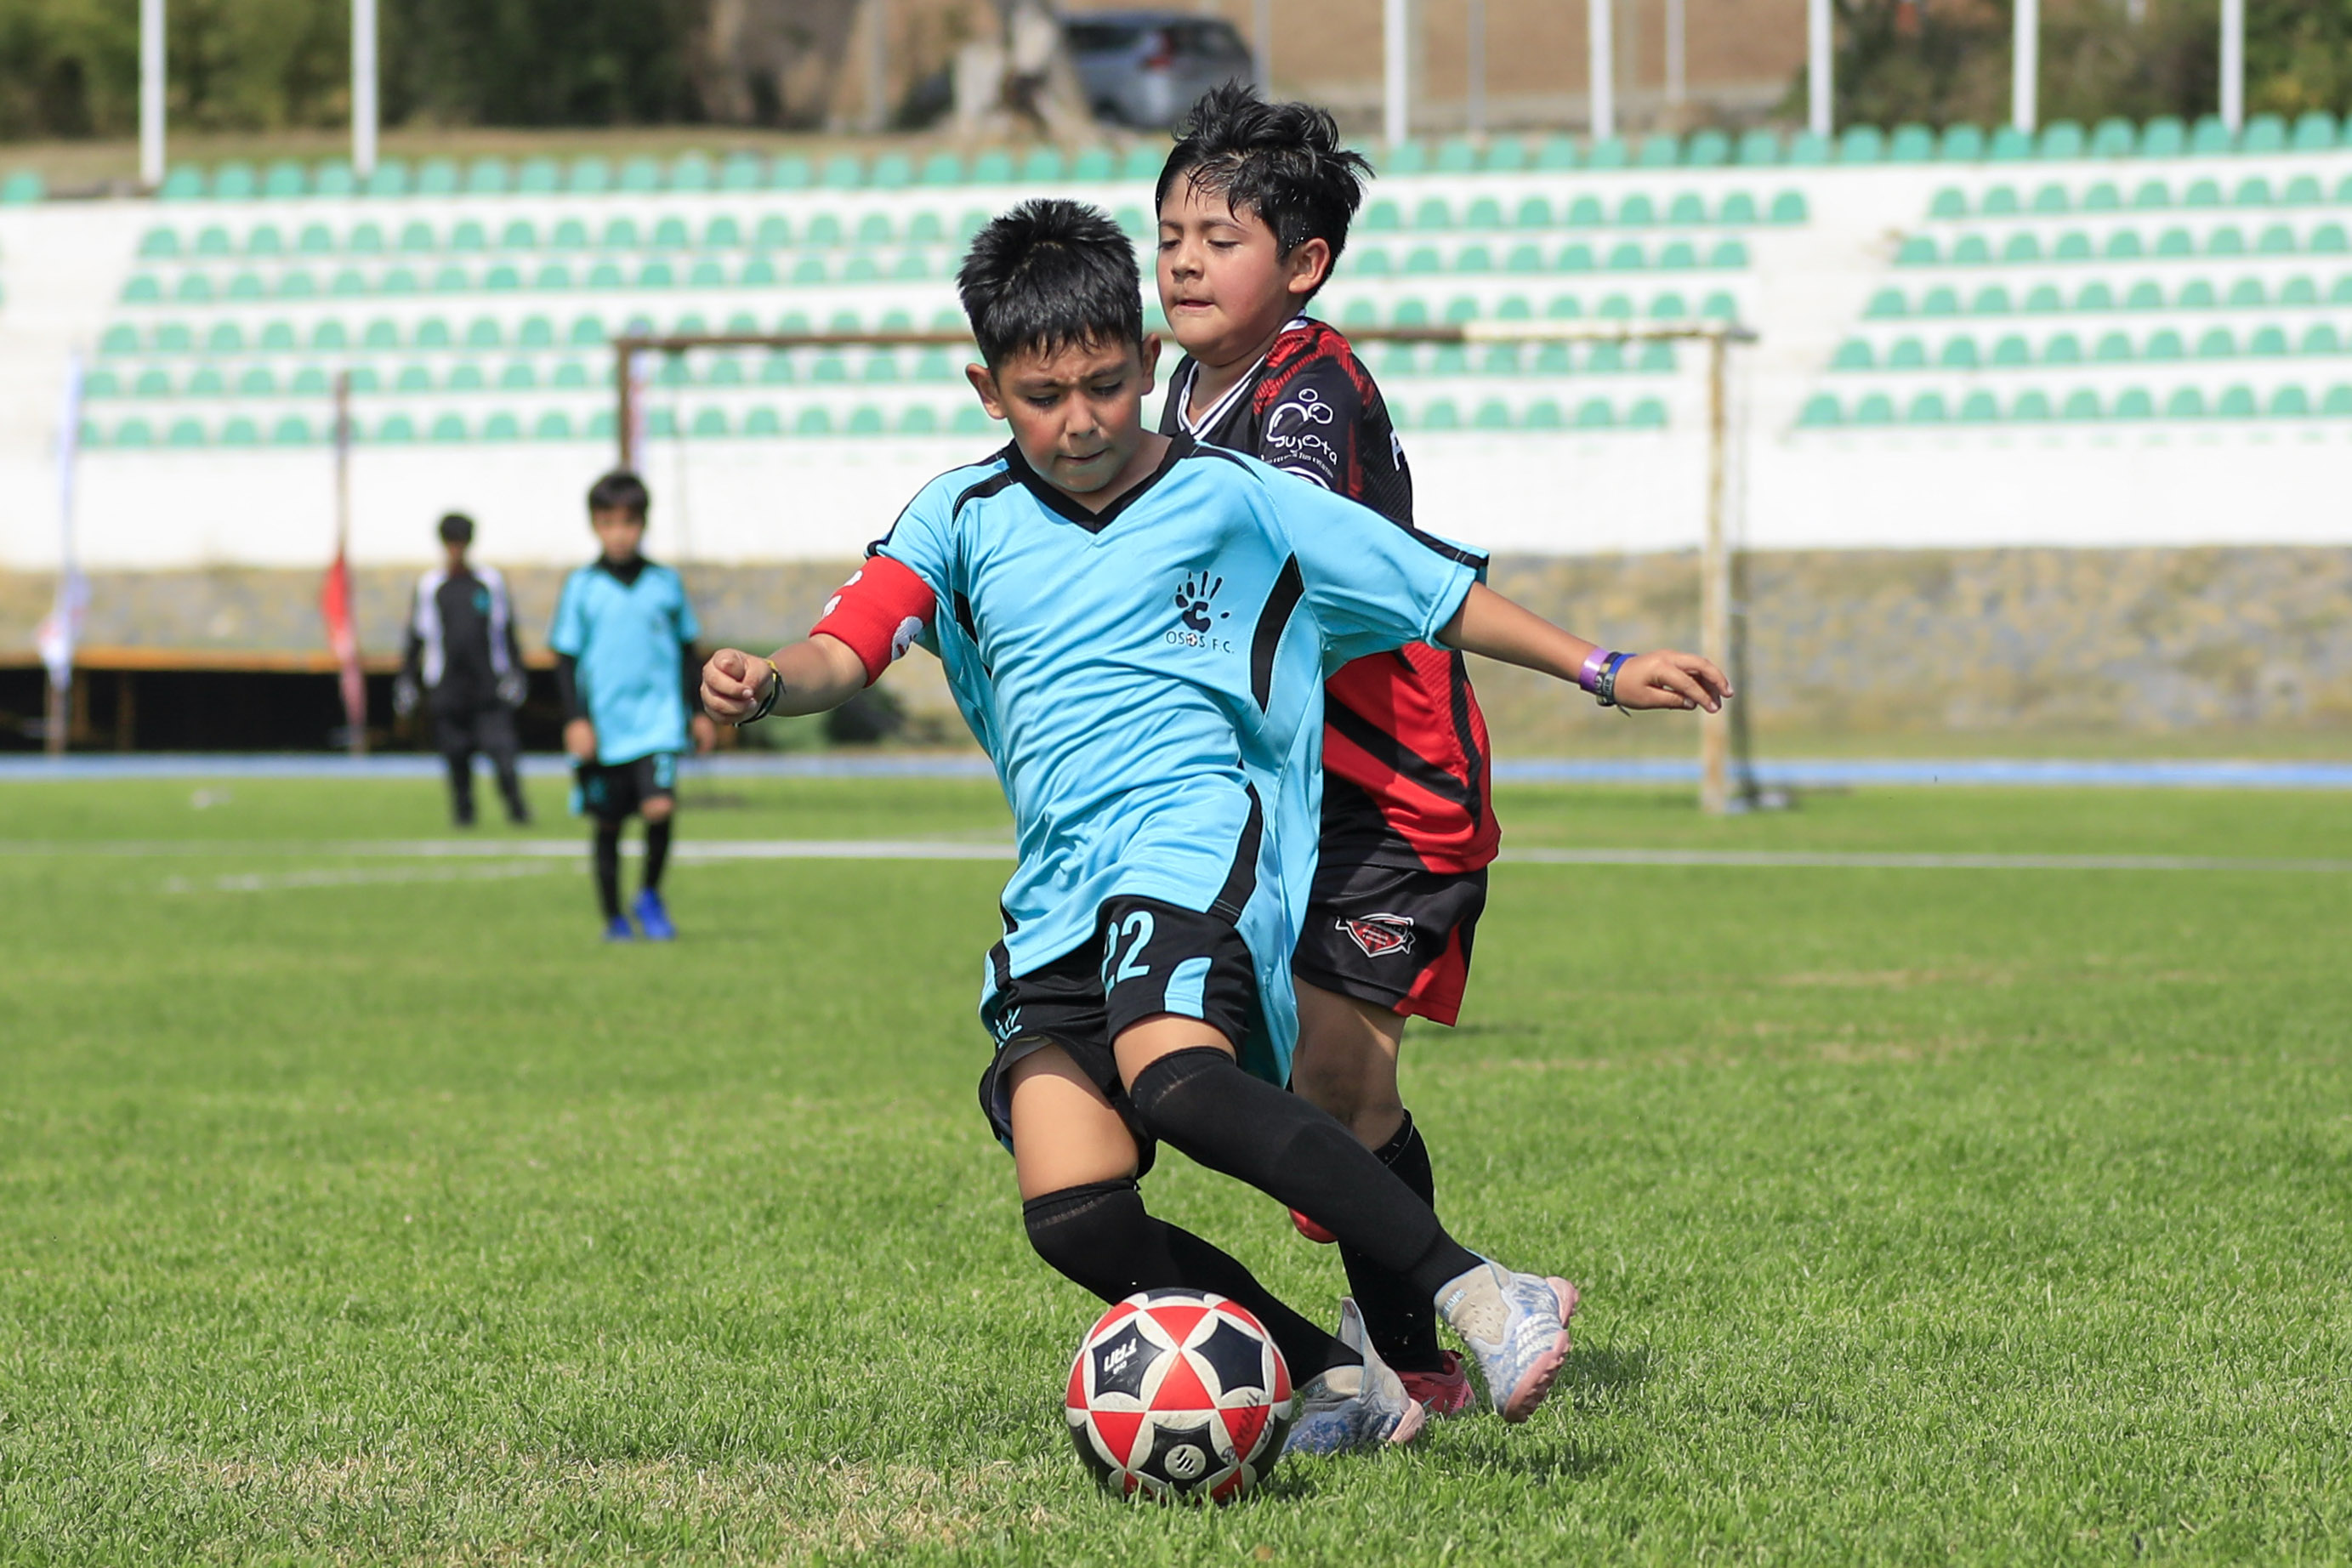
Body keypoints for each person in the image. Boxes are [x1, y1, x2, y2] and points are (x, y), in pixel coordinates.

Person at [700, 200, 1730, 1452]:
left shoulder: (1240, 498)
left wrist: (1600, 665)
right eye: (1040, 396)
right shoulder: (956, 519)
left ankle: (1478, 1290)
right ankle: (1339, 1386)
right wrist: (767, 681)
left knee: (1178, 1077)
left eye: (1101, 384)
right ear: (986, 388)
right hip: (1056, 893)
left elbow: (1436, 595)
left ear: (1143, 358)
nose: (1077, 421)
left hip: (1195, 844)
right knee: (1072, 1210)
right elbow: (850, 642)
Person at [1151, 84, 1518, 1413]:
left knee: (1339, 1086)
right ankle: (1368, 1240)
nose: (1185, 259)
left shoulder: (1309, 390)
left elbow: (1290, 550)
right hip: (1274, 796)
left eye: (1220, 236)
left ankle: (1409, 1370)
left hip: (1389, 786)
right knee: (1265, 1083)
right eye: (1171, 232)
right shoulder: (1174, 387)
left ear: (1301, 266)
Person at [549, 472, 716, 942]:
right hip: (604, 727)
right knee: (608, 824)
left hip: (659, 722)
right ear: (595, 526)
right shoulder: (582, 587)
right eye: (608, 522)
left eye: (628, 522)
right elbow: (565, 659)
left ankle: (648, 895)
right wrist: (576, 719)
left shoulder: (665, 583)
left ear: (642, 524)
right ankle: (613, 919)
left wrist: (698, 711)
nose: (619, 532)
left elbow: (687, 651)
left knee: (660, 807)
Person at [395, 512, 531, 828]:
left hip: (487, 685)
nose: (456, 549)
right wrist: (407, 679)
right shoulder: (431, 585)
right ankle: (464, 815)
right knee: (456, 757)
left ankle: (518, 811)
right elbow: (417, 635)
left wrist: (516, 672)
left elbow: (506, 630)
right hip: (447, 686)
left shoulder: (489, 582)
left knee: (503, 754)